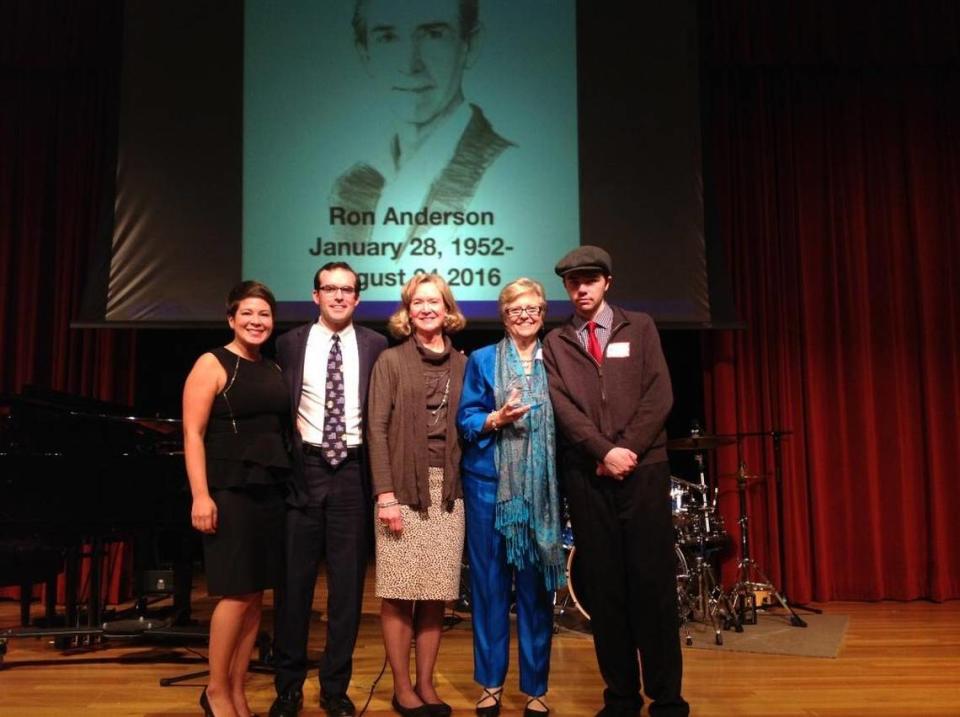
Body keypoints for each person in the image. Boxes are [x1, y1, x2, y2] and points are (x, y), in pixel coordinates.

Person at [542, 246, 689, 717]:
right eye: (572, 282)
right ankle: (620, 697)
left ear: (607, 282)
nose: (581, 288)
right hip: (589, 476)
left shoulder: (640, 326)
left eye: (589, 279)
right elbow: (562, 407)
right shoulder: (556, 341)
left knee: (653, 590)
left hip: (643, 472)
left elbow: (659, 393)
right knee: (605, 592)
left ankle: (666, 699)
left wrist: (626, 449)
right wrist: (603, 451)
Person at [269, 263, 388, 717]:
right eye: (330, 288)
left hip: (354, 476)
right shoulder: (289, 343)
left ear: (358, 298)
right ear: (315, 295)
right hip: (305, 470)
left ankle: (335, 688)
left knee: (347, 591)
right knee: (294, 587)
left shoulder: (378, 345)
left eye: (347, 290)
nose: (339, 296)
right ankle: (288, 687)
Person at [456, 278, 565, 717]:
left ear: (543, 313)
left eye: (533, 308)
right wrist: (495, 419)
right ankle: (490, 684)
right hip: (489, 490)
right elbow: (466, 419)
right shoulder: (482, 360)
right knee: (490, 589)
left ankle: (536, 688)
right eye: (516, 309)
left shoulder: (556, 361)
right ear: (504, 316)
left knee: (538, 592)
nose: (525, 315)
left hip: (542, 493)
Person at [183, 281, 291, 717]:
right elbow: (191, 434)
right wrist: (201, 496)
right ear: (231, 318)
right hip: (228, 490)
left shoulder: (273, 368)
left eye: (264, 314)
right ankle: (215, 690)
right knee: (234, 594)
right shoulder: (211, 363)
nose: (256, 321)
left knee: (255, 597)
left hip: (270, 491)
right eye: (247, 313)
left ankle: (238, 689)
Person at [330, 0, 514, 251]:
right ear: (365, 54)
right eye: (387, 37)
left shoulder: (507, 168)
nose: (409, 64)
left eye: (433, 35)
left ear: (470, 45)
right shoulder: (348, 187)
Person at [367, 273, 468, 717]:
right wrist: (385, 494)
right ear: (407, 312)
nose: (426, 309)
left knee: (435, 593)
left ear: (448, 310)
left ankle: (427, 684)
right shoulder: (389, 362)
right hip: (401, 490)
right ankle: (402, 687)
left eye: (435, 301)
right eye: (417, 302)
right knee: (399, 591)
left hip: (449, 490)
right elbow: (376, 429)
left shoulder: (466, 365)